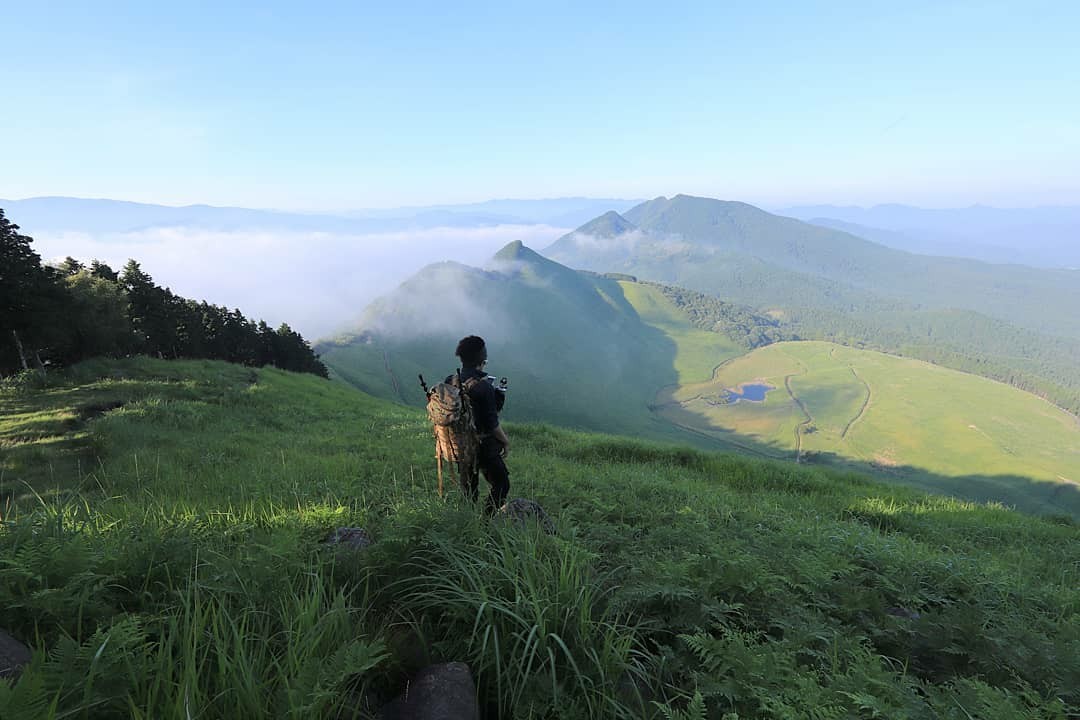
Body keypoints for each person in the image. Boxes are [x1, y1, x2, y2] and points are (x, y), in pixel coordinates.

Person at [454, 335, 510, 513]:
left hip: (459, 444)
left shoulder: (451, 380)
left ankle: (467, 523)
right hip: (482, 446)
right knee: (501, 483)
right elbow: (492, 424)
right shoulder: (484, 387)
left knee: (469, 489)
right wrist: (506, 442)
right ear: (482, 360)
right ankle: (486, 524)